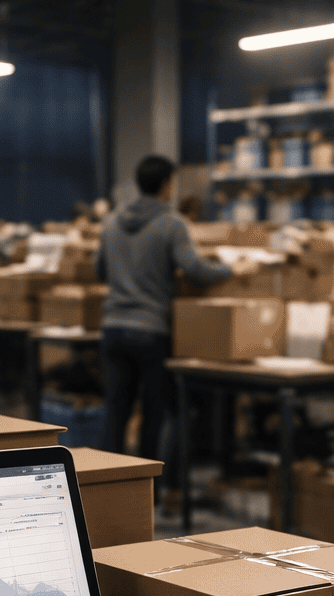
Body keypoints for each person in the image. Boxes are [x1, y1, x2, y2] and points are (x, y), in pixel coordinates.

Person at [96, 154, 252, 465]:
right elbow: (194, 269)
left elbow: (100, 271)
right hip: (151, 330)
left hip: (112, 328)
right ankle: (147, 495)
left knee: (116, 412)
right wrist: (234, 269)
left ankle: (106, 489)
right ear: (168, 184)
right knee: (155, 415)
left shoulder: (111, 222)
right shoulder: (172, 223)